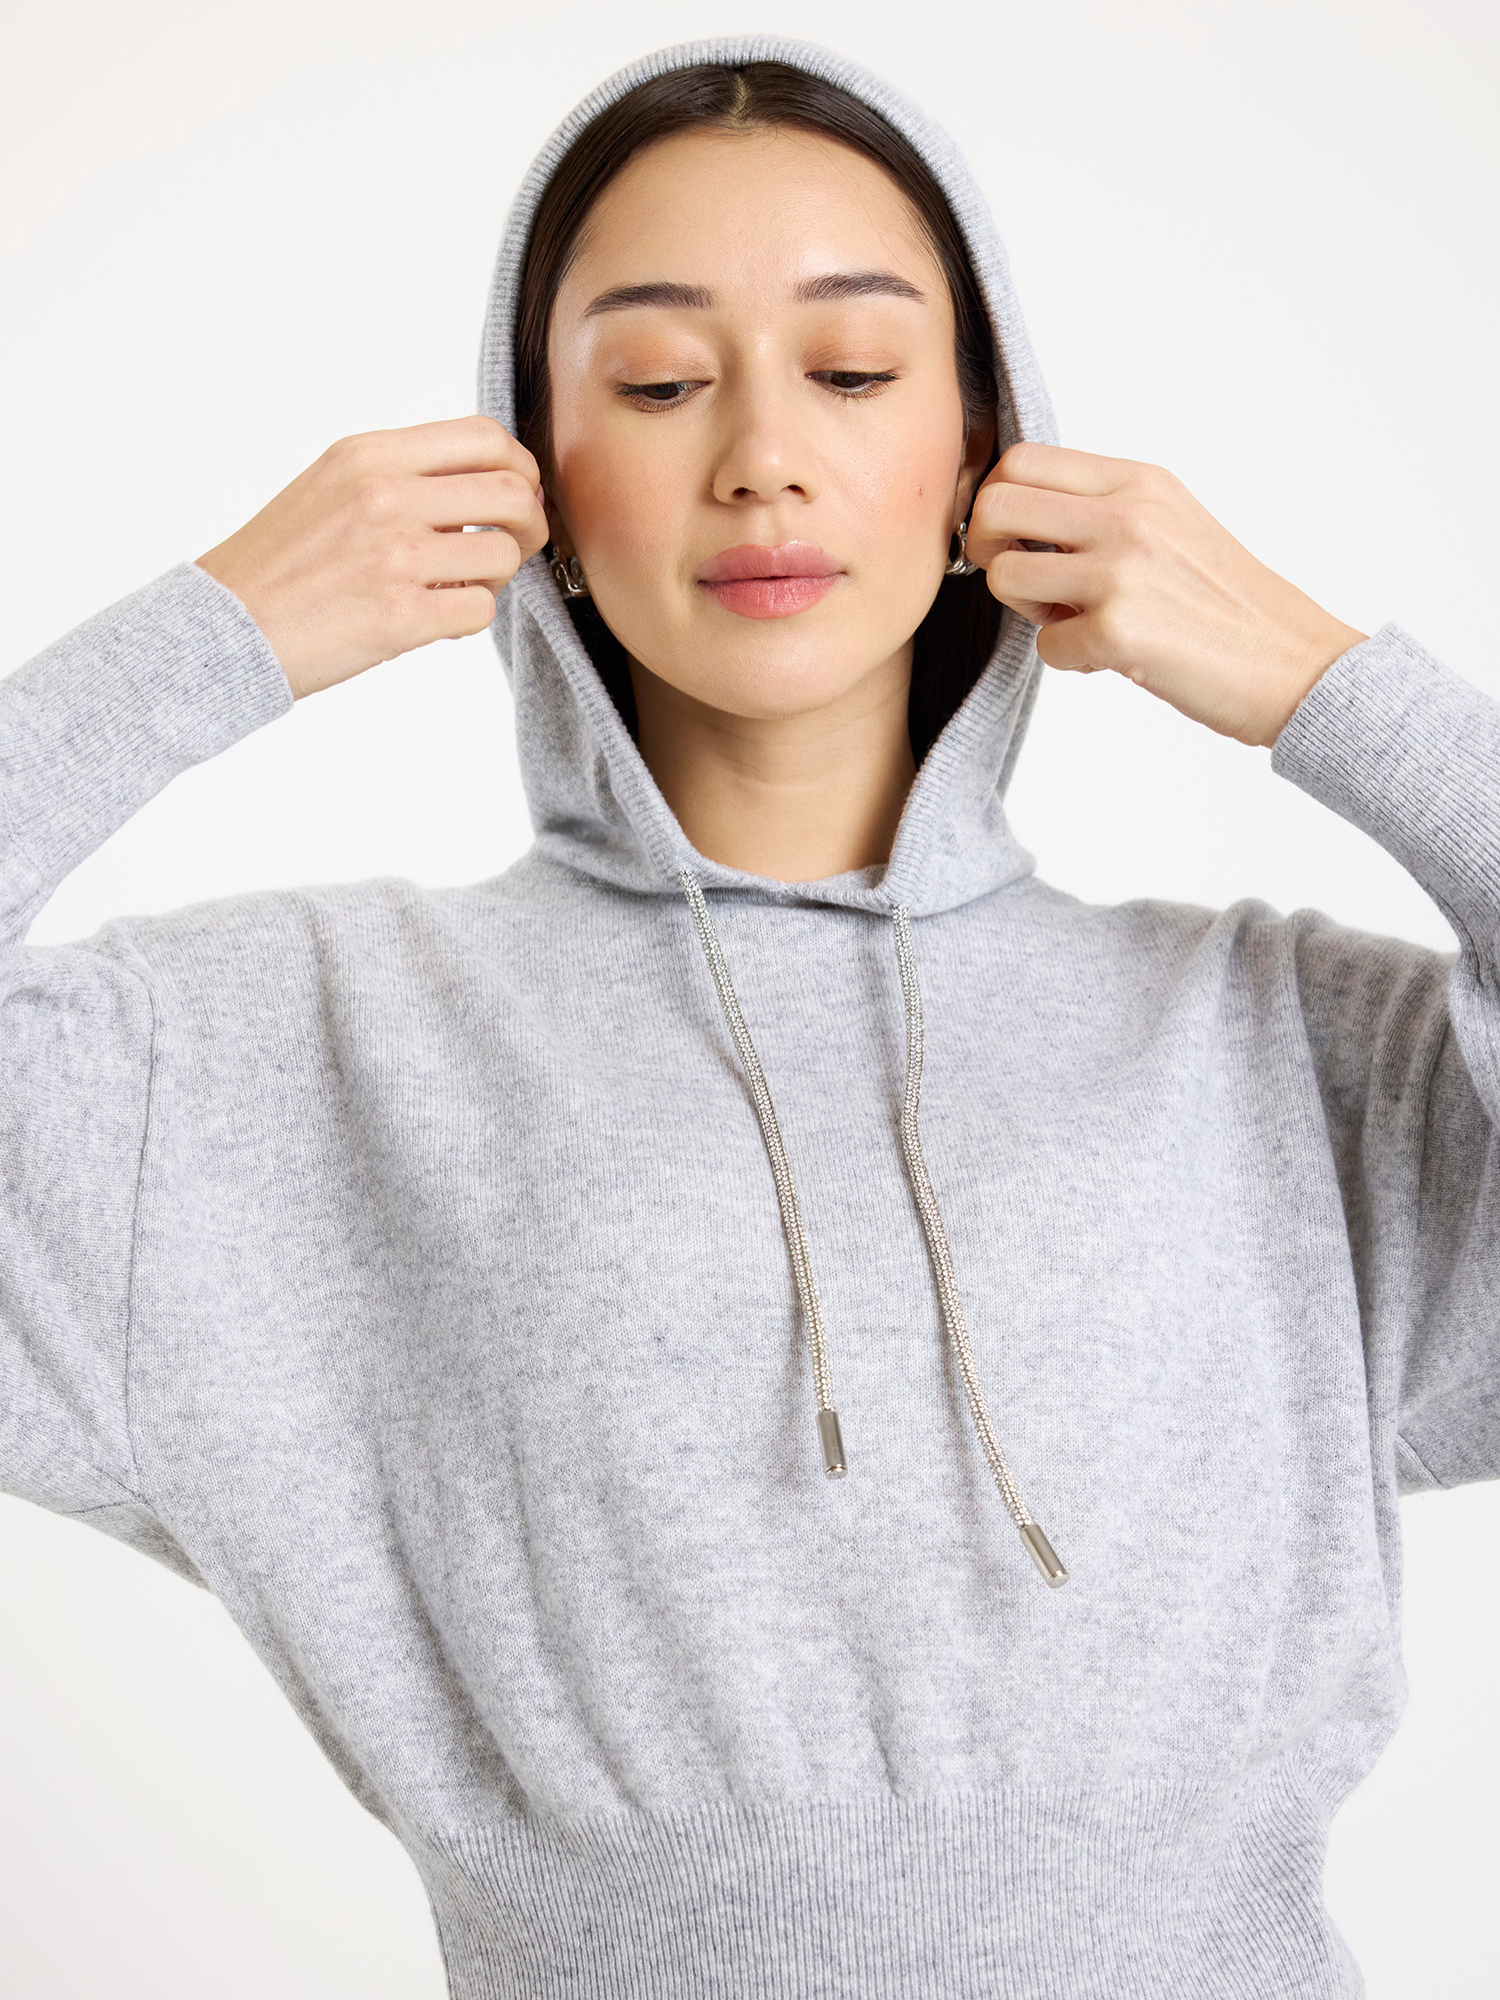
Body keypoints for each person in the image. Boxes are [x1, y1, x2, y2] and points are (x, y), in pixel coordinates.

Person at [2, 31, 1495, 1998]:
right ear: (530, 463)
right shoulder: (306, 1051)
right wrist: (210, 634)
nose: (764, 454)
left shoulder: (1274, 1040)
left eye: (857, 369)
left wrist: (1324, 676)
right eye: (657, 378)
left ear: (987, 443)